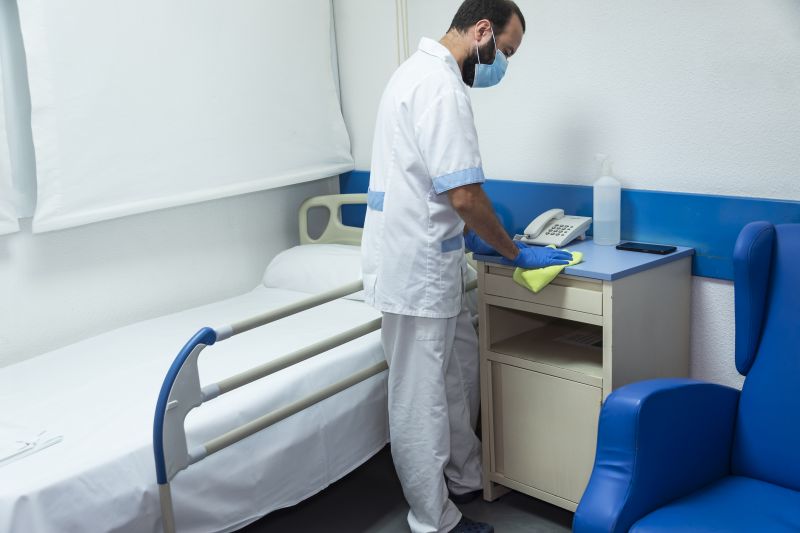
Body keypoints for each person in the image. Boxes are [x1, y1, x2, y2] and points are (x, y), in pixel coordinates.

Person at [361, 1, 572, 532]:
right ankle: (433, 520)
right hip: (416, 267)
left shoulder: (414, 73)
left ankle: (464, 476)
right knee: (421, 396)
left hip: (431, 257)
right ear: (481, 30)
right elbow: (465, 195)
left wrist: (480, 241)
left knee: (457, 376)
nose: (502, 63)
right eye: (504, 51)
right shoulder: (440, 86)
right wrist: (514, 251)